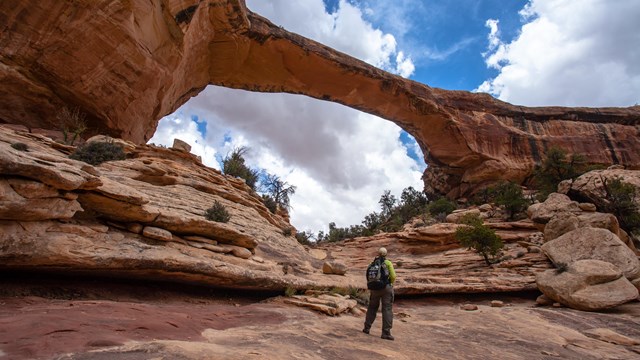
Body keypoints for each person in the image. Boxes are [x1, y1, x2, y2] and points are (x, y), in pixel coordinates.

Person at [363, 247, 397, 340]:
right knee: (387, 309)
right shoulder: (388, 263)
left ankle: (367, 328)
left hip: (374, 289)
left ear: (378, 253)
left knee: (372, 307)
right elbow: (393, 276)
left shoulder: (372, 264)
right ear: (386, 254)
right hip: (386, 288)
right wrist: (390, 283)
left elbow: (368, 276)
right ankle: (386, 333)